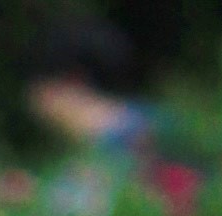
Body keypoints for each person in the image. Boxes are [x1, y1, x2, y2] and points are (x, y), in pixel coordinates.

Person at [24, 13, 156, 173]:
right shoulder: (135, 125)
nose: (33, 100)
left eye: (40, 87)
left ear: (72, 82)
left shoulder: (134, 141)